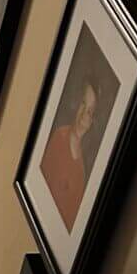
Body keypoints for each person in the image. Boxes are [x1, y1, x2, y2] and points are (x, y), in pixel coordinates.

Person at [40, 80, 98, 232]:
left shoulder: (81, 171)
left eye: (90, 112)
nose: (84, 114)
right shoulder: (60, 137)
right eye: (83, 103)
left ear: (91, 121)